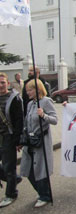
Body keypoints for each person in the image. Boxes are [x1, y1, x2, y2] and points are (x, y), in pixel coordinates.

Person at [20, 79, 57, 208]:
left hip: (41, 141)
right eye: (27, 90)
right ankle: (41, 191)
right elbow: (27, 121)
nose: (27, 92)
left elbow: (54, 120)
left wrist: (44, 116)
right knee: (28, 169)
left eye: (30, 90)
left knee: (41, 169)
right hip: (30, 141)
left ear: (37, 89)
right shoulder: (30, 104)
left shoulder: (46, 102)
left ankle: (45, 195)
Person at [0, 73, 23, 208]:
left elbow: (19, 120)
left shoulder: (14, 98)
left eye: (3, 82)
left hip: (9, 136)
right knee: (8, 170)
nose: (0, 85)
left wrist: (17, 139)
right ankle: (15, 179)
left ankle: (11, 194)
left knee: (9, 167)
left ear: (8, 83)